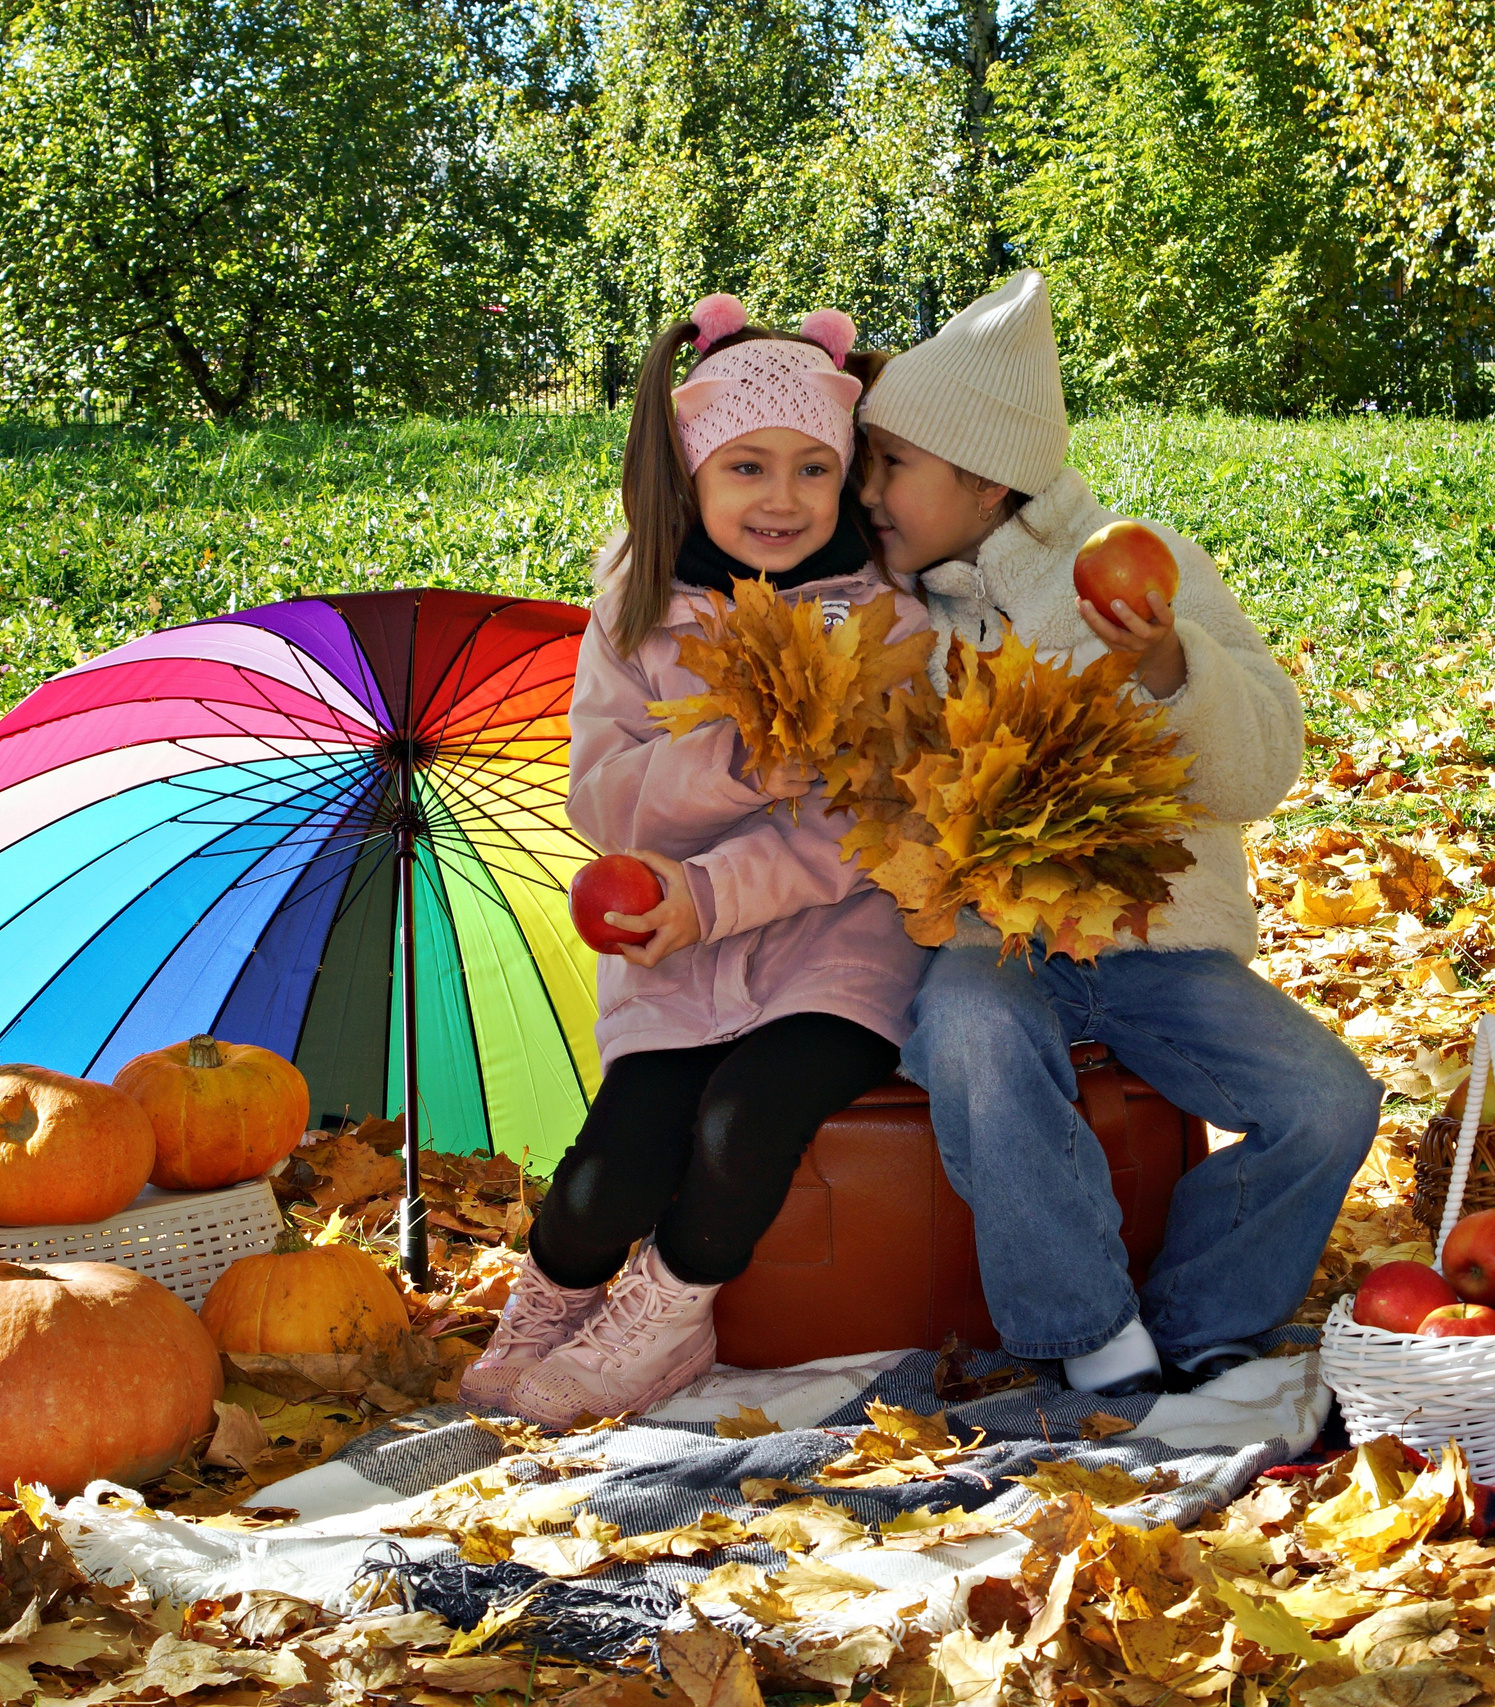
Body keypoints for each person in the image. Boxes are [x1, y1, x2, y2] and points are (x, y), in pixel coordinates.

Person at [862, 270, 1383, 1396]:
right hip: (990, 951)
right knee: (973, 1036)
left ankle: (1204, 1314)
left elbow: (1262, 768)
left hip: (1161, 951)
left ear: (984, 476)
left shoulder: (1141, 565)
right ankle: (1086, 1329)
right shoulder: (899, 609)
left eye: (892, 465)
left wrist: (1168, 670)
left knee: (1327, 1101)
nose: (870, 491)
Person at [463, 294, 931, 1426]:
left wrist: (718, 888)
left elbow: (866, 829)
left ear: (847, 475)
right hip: (672, 957)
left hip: (832, 952)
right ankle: (555, 1293)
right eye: (747, 467)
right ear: (691, 474)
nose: (781, 498)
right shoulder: (634, 616)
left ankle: (667, 1315)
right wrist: (726, 770)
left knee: (740, 1125)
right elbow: (602, 798)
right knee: (604, 1174)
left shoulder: (887, 624)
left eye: (813, 469)